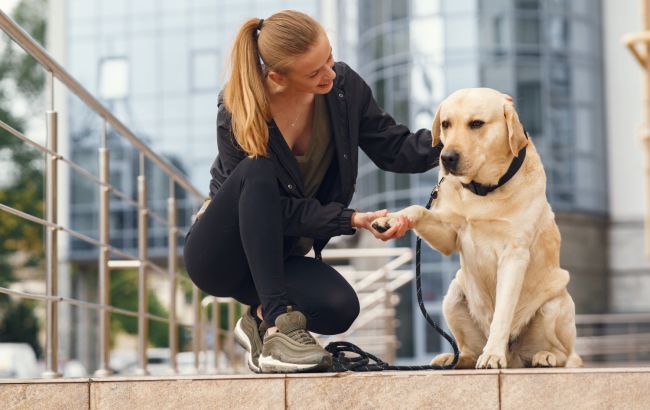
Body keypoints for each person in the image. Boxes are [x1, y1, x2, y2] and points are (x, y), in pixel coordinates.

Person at [183, 10, 441, 374]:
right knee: (256, 170)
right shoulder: (238, 109)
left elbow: (394, 147)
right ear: (277, 77)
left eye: (330, 58)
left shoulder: (343, 90)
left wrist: (461, 138)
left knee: (339, 307)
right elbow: (263, 207)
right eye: (315, 72)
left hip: (279, 256)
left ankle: (258, 320)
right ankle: (276, 327)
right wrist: (349, 218)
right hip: (222, 256)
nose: (330, 73)